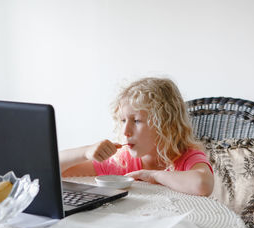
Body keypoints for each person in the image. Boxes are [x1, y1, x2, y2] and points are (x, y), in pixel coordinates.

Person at [60, 77, 214, 196]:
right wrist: (86, 152)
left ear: (166, 125)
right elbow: (54, 168)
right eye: (123, 121)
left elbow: (202, 184)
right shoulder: (124, 162)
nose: (125, 131)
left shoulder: (187, 157)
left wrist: (153, 176)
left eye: (137, 121)